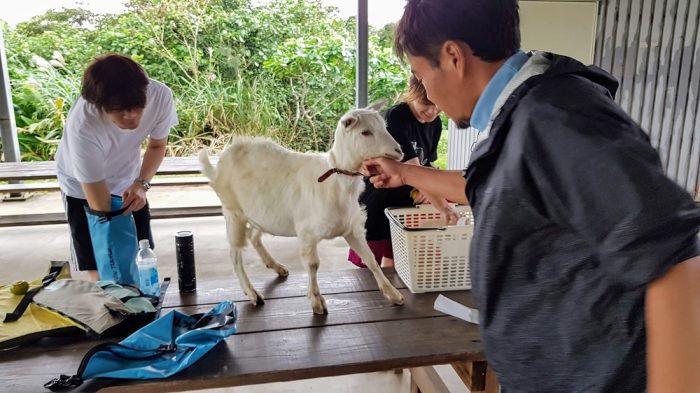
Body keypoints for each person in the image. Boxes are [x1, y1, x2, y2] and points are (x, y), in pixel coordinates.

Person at [362, 1, 700, 392]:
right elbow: (487, 187)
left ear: (453, 57)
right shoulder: (524, 115)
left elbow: (675, 262)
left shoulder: (559, 117)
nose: (430, 95)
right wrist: (403, 172)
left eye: (422, 74)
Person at [56, 53, 178, 280]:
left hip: (128, 180)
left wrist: (141, 183)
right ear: (100, 106)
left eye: (136, 107)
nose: (131, 116)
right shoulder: (83, 126)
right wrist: (114, 276)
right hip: (81, 187)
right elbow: (103, 214)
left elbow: (157, 146)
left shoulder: (160, 96)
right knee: (102, 263)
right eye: (120, 110)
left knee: (142, 255)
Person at [349, 75, 455, 268]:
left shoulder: (436, 123)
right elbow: (413, 169)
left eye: (438, 106)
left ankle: (394, 294)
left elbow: (426, 164)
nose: (432, 112)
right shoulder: (396, 117)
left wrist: (428, 186)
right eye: (425, 104)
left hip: (406, 199)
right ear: (411, 95)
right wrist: (442, 204)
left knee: (399, 254)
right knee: (369, 261)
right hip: (378, 196)